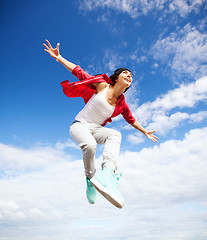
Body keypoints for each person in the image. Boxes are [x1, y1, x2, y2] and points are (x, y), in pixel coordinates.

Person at [43, 40, 159, 209]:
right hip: (79, 125)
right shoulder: (102, 85)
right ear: (117, 77)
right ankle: (90, 178)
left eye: (131, 75)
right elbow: (79, 72)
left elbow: (131, 119)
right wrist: (59, 57)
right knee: (89, 146)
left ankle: (107, 174)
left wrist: (145, 132)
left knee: (115, 134)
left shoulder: (122, 103)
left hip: (96, 129)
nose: (129, 75)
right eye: (125, 73)